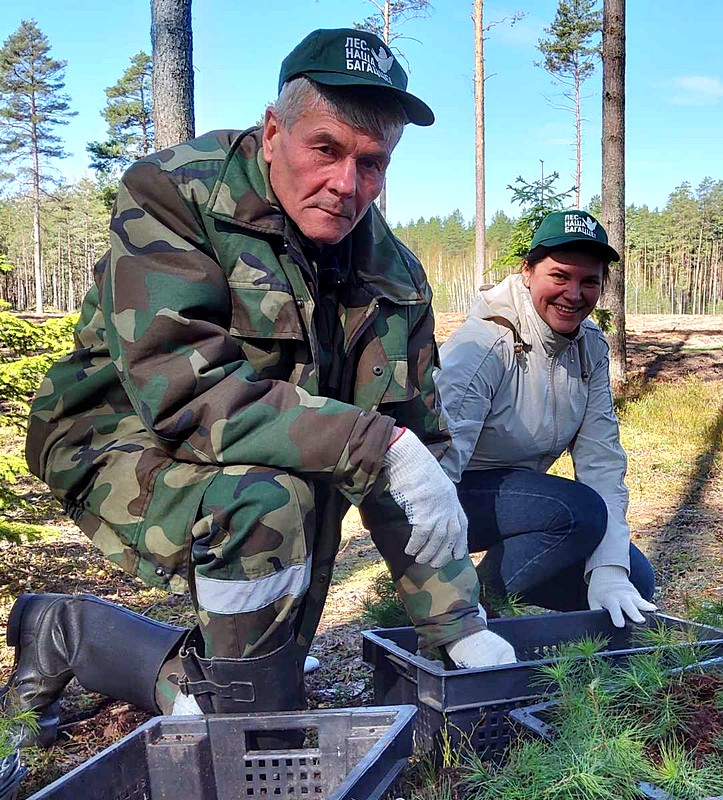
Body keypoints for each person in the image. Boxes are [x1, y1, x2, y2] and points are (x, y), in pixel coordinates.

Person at [6, 28, 514, 748]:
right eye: (326, 149)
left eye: (373, 164)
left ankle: (69, 632)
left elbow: (413, 456)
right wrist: (383, 446)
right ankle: (239, 736)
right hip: (114, 431)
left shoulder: (392, 275)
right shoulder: (175, 194)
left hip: (269, 452)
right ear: (273, 131)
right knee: (266, 511)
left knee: (267, 656)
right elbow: (184, 392)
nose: (346, 186)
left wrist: (456, 624)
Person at [437, 210, 657, 628]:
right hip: (451, 498)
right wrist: (443, 583)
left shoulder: (588, 348)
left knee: (636, 580)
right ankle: (471, 611)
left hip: (529, 506)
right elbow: (436, 470)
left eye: (588, 281)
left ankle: (508, 596)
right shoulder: (484, 345)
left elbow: (602, 463)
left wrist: (609, 572)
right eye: (559, 276)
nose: (573, 294)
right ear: (527, 271)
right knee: (577, 511)